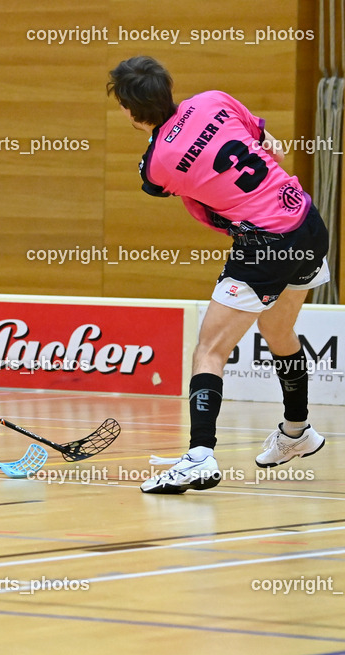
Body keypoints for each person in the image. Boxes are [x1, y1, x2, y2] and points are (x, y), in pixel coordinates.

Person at [107, 56, 328, 494]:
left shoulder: (156, 165)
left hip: (265, 245)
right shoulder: (213, 101)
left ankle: (199, 457)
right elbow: (275, 148)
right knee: (278, 330)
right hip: (305, 221)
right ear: (168, 87)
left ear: (131, 111)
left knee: (209, 349)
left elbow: (176, 189)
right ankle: (297, 432)